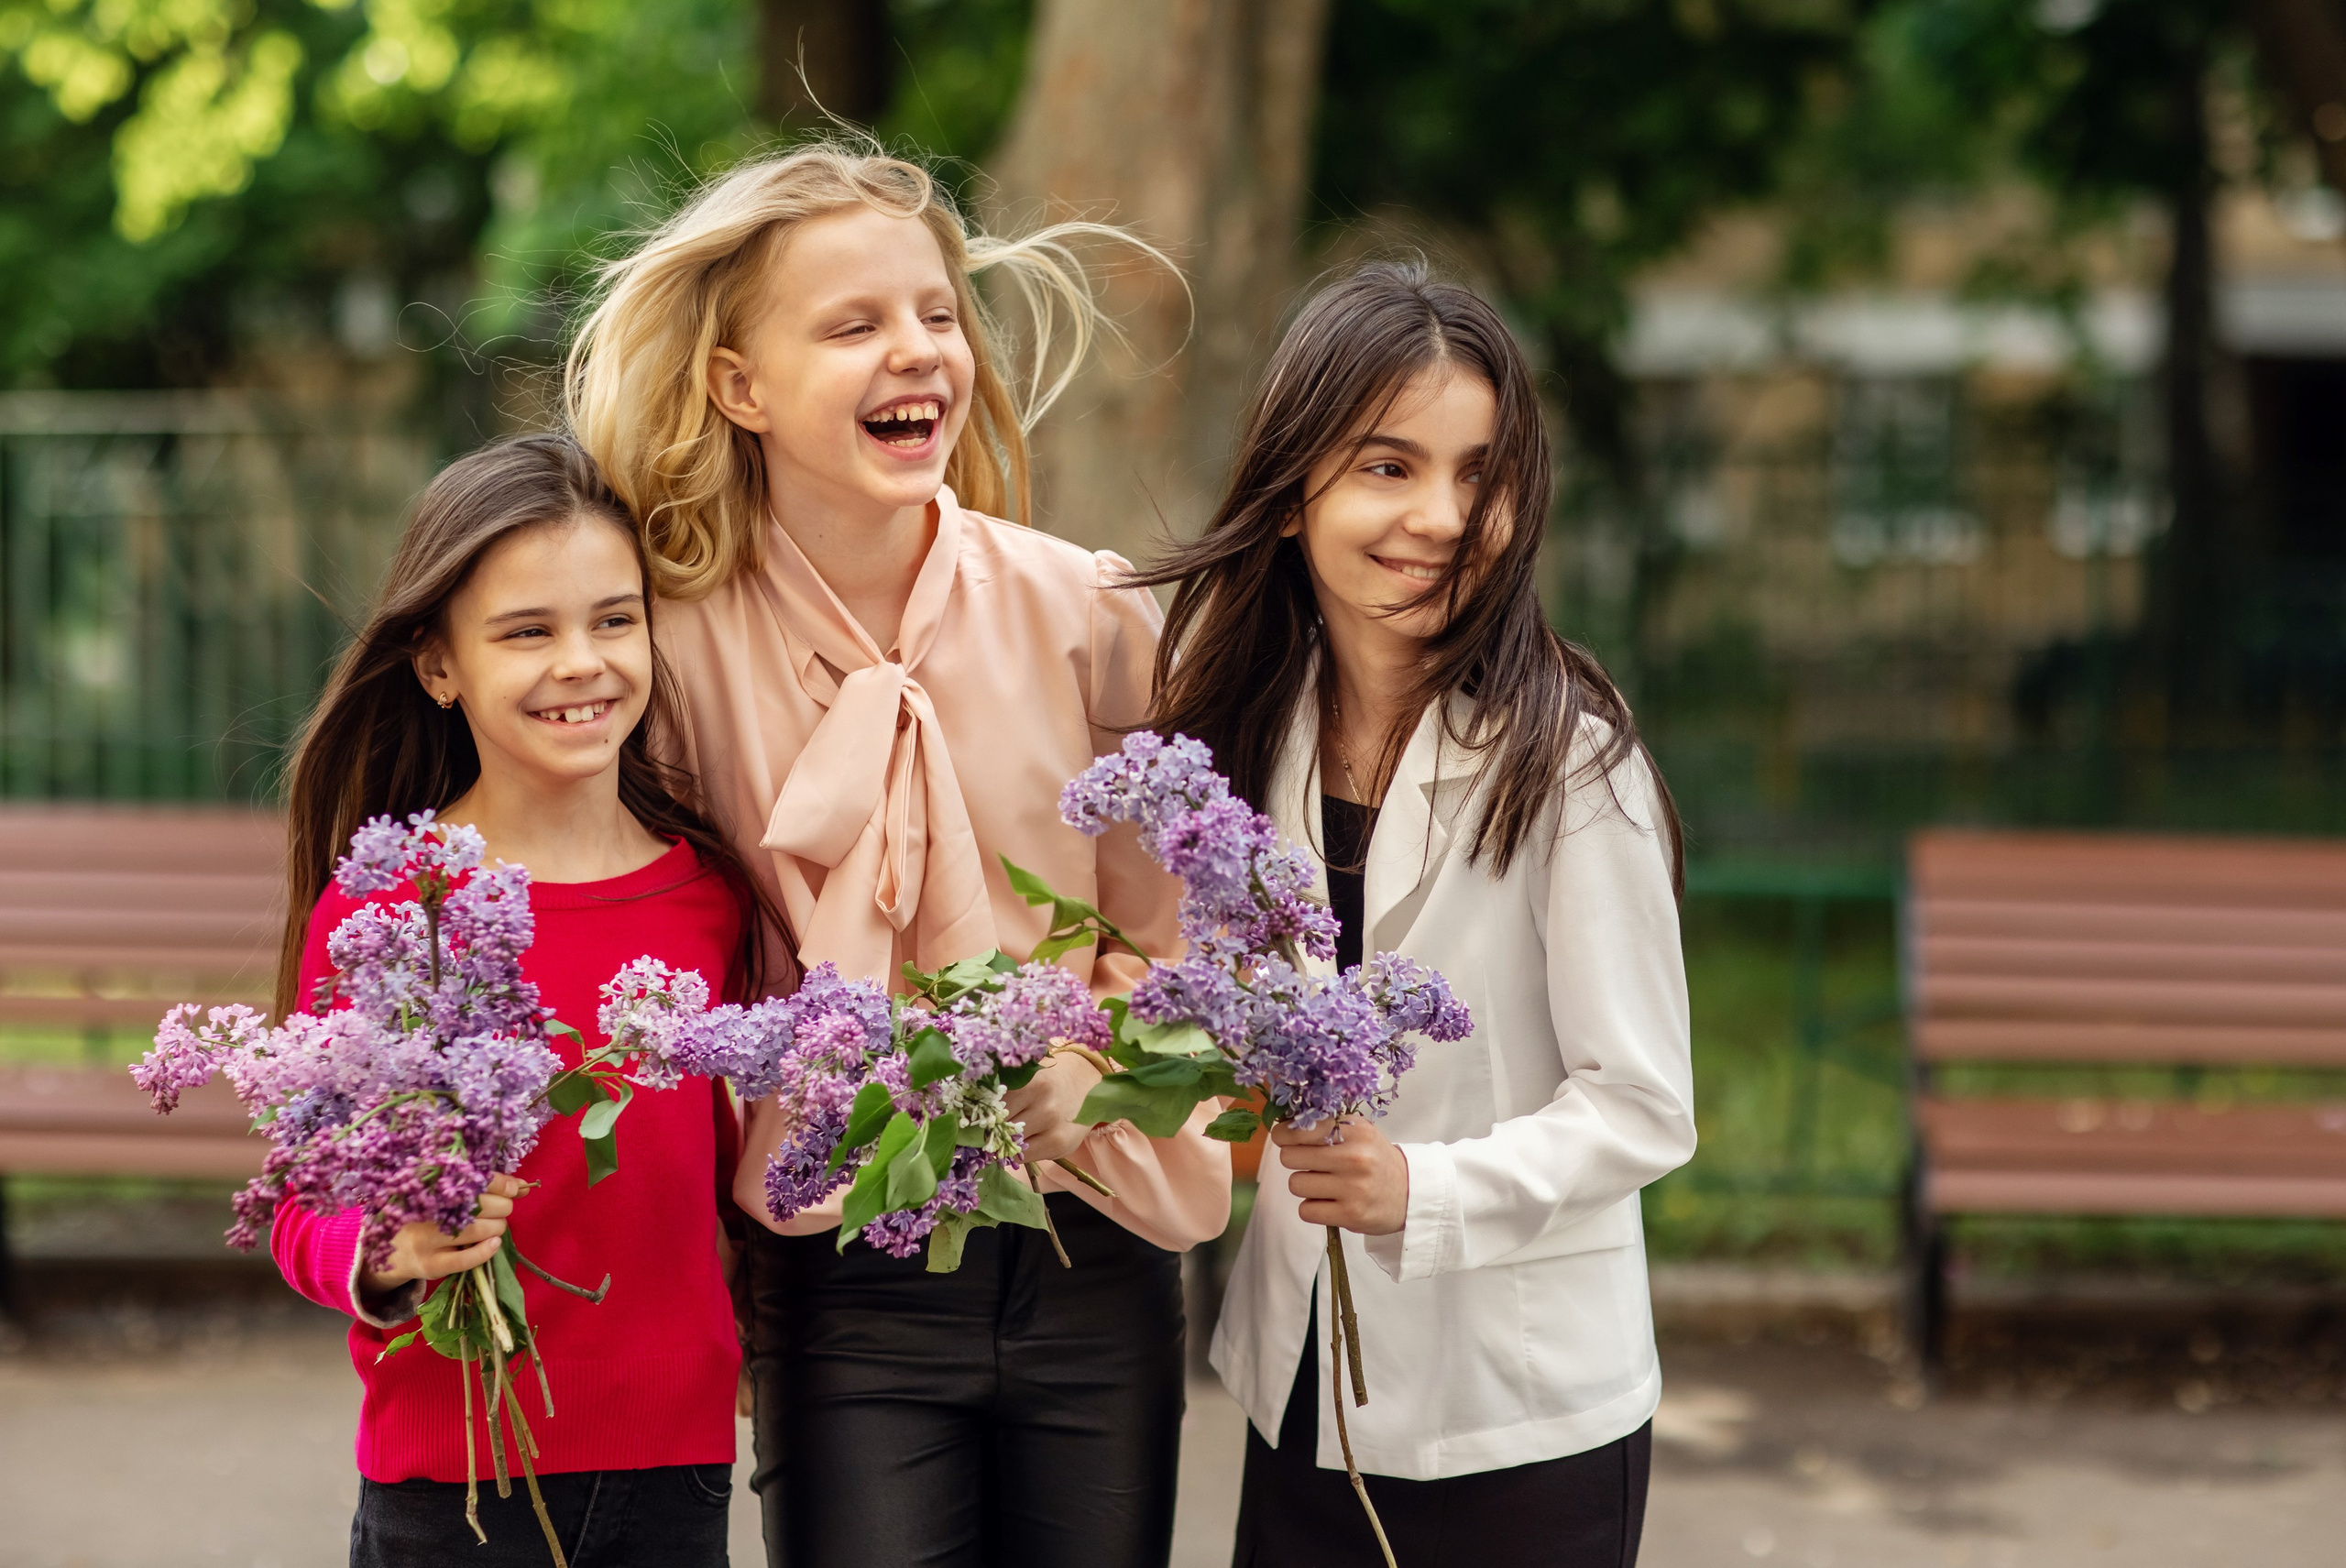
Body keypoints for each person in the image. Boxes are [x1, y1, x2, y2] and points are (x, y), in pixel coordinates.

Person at [564, 142, 1232, 1568]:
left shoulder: (1090, 610)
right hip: (843, 1265)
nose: (917, 350)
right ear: (740, 386)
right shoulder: (664, 654)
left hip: (1094, 1242)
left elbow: (1181, 932)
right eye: (853, 324)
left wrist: (1093, 1059)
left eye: (935, 313)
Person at [1145, 261, 1696, 1568]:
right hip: (1300, 1386)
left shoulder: (1571, 755)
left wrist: (1420, 1189)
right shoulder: (1242, 726)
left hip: (1518, 1411)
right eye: (1388, 467)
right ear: (1292, 495)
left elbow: (1644, 1101)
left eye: (1479, 472)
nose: (1443, 517)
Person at [269, 434, 780, 1566]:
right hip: (446, 1481)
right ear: (438, 666)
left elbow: (730, 1186)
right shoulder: (390, 909)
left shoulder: (714, 894)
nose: (581, 663)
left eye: (613, 620)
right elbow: (300, 1208)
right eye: (526, 633)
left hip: (674, 1471)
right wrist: (388, 1251)